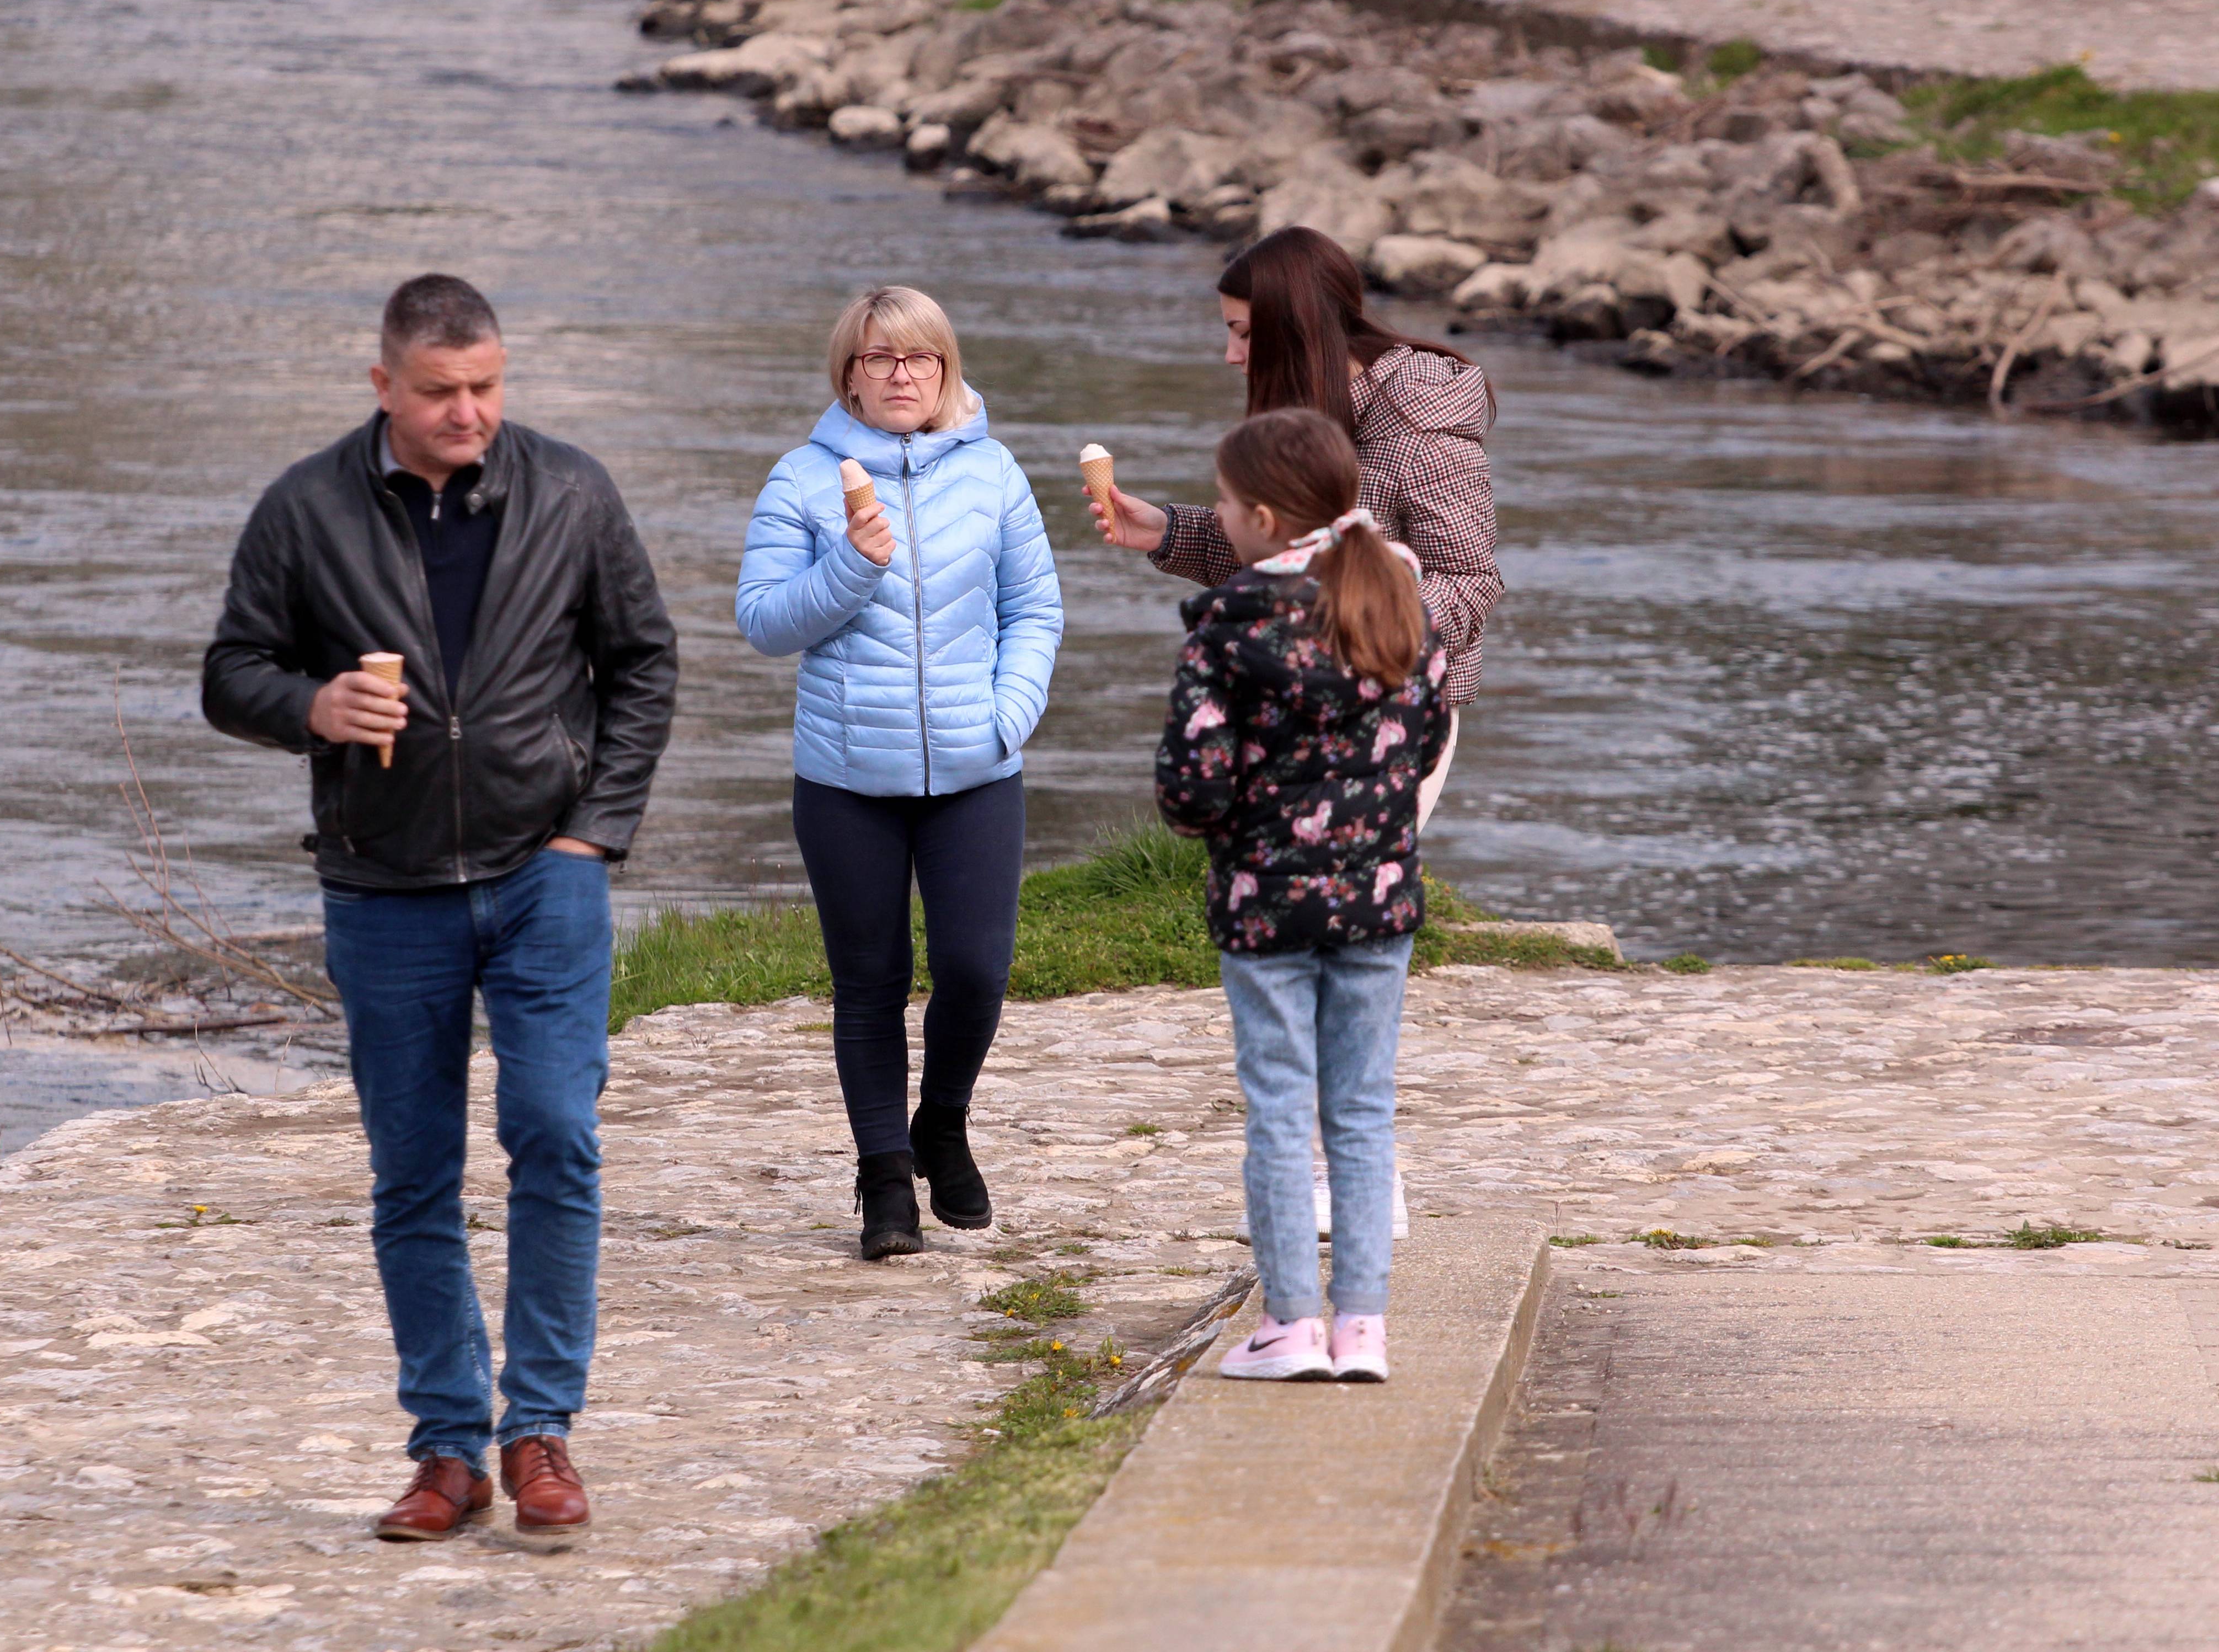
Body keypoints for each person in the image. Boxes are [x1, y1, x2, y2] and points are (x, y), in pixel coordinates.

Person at [202, 274, 678, 1543]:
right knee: (411, 1176)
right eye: (438, 392)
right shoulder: (304, 507)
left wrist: (593, 835)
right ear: (382, 386)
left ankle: (539, 1432)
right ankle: (444, 1448)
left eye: (485, 386)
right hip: (381, 886)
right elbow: (230, 668)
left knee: (553, 1135)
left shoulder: (569, 490)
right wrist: (310, 706)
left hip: (543, 873)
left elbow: (643, 664)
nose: (467, 411)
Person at [736, 286, 1063, 1261]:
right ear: (847, 374)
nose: (900, 375)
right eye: (878, 359)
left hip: (976, 771)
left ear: (945, 369)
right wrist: (850, 566)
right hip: (844, 779)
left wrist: (1005, 717)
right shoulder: (800, 480)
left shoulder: (994, 473)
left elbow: (1033, 610)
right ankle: (883, 1178)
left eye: (919, 358)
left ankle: (942, 1123)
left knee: (974, 969)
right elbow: (761, 622)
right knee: (868, 983)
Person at [1153, 408, 1449, 1384]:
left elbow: (1188, 791)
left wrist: (1234, 821)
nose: (1218, 518)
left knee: (1280, 1111)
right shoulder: (1402, 601)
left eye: (1226, 505)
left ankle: (1288, 1327)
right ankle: (1360, 1327)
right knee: (1361, 1114)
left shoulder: (1228, 627)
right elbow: (1423, 738)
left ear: (1264, 518)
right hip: (1378, 901)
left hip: (1264, 910)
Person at [1088, 224, 1496, 825]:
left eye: (1244, 333)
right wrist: (1170, 532)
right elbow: (1287, 550)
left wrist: (1352, 646)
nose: (1231, 355)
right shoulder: (1310, 404)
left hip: (1394, 701)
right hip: (1296, 693)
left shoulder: (1421, 427)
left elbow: (1469, 579)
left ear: (1295, 328)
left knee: (1346, 890)